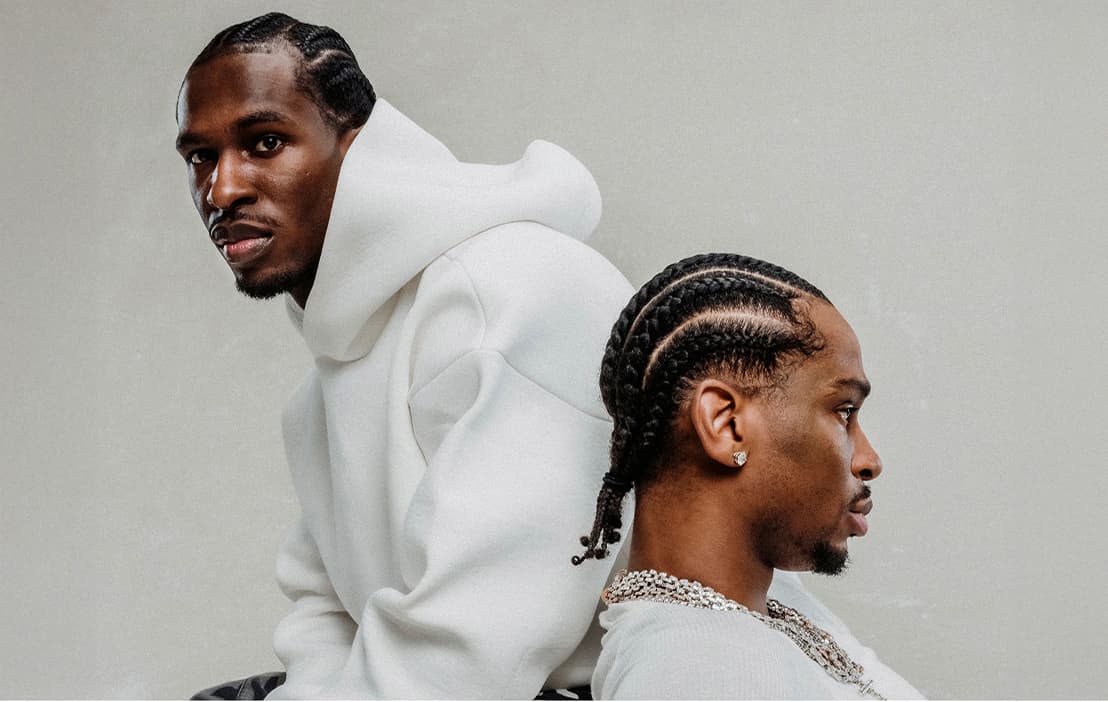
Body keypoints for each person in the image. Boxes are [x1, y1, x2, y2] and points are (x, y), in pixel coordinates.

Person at [174, 12, 636, 699]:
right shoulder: (319, 397)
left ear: (357, 148)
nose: (222, 189)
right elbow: (326, 611)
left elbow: (476, 648)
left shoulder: (512, 292)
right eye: (200, 157)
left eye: (265, 142)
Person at [573, 253, 924, 699]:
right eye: (844, 412)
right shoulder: (694, 669)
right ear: (727, 425)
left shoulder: (759, 611)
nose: (869, 459)